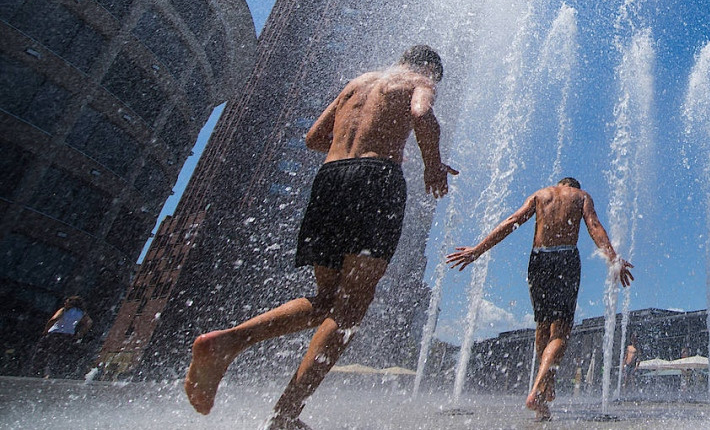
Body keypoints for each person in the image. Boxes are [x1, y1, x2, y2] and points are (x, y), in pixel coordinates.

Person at [185, 45, 458, 430]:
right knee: (352, 306)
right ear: (428, 67)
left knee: (328, 300)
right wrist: (432, 165)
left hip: (329, 179)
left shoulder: (358, 84)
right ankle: (285, 414)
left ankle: (229, 342)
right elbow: (421, 113)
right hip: (375, 182)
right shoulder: (419, 80)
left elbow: (314, 137)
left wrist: (362, 140)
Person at [447, 177, 633, 421]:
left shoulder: (540, 195)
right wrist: (614, 258)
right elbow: (594, 226)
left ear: (560, 184)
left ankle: (545, 389)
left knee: (543, 326)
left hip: (538, 260)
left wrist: (477, 250)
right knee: (561, 331)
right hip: (565, 259)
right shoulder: (581, 196)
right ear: (573, 186)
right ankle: (537, 390)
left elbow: (512, 221)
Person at [29, 296, 92, 378]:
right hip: (68, 336)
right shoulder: (81, 313)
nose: (65, 303)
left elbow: (53, 319)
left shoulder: (64, 310)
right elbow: (89, 322)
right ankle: (55, 373)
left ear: (71, 303)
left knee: (42, 353)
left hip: (54, 334)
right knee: (59, 355)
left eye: (67, 301)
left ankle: (37, 372)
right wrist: (80, 333)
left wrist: (46, 330)